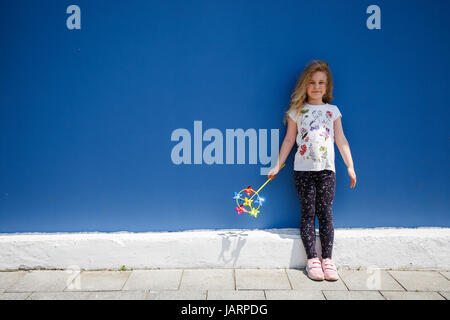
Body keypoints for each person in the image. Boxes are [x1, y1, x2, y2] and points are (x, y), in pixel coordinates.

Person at [268, 60, 356, 281]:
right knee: (308, 214)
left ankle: (328, 259)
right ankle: (312, 260)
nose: (316, 87)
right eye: (312, 82)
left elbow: (341, 139)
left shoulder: (332, 111)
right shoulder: (297, 112)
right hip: (303, 171)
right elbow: (289, 140)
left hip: (327, 170)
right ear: (304, 85)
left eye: (321, 83)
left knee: (325, 213)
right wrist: (278, 164)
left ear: (327, 87)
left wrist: (350, 166)